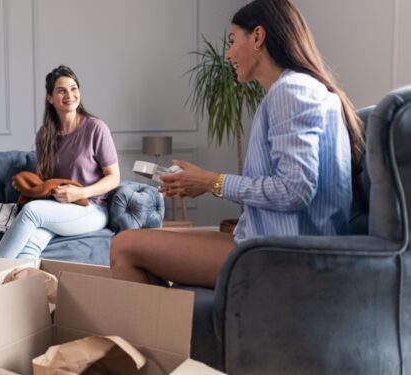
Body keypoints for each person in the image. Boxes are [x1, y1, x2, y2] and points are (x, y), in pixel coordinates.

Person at [110, 0, 364, 288]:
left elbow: (295, 190)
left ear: (257, 37)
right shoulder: (296, 90)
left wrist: (212, 182)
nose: (228, 54)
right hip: (272, 245)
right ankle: (171, 330)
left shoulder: (291, 91)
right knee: (142, 249)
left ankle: (158, 332)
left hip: (284, 257)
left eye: (232, 41)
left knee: (124, 246)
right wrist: (201, 182)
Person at [0, 65, 120, 259]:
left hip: (92, 208)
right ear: (50, 98)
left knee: (31, 212)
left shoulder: (96, 128)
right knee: (31, 245)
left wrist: (81, 192)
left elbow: (114, 178)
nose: (70, 94)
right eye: (61, 90)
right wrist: (28, 184)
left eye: (74, 88)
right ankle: (15, 287)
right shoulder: (45, 135)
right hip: (59, 208)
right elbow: (46, 181)